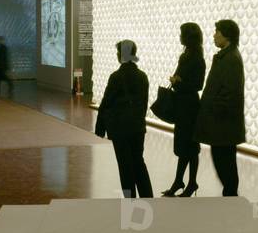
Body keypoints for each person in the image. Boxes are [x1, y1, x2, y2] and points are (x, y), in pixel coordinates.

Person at [193, 20, 245, 197]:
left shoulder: (230, 59)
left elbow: (229, 92)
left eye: (218, 32)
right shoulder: (227, 56)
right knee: (224, 161)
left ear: (227, 35)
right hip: (221, 122)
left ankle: (231, 198)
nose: (214, 35)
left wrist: (212, 111)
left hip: (222, 123)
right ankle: (230, 196)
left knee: (225, 162)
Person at [95, 40, 152, 199]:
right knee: (138, 163)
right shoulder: (142, 76)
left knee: (125, 167)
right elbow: (144, 103)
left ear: (122, 55)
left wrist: (100, 127)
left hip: (119, 128)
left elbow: (106, 103)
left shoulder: (116, 77)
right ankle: (148, 198)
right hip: (137, 127)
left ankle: (130, 201)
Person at [161, 23, 206, 197]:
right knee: (185, 146)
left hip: (189, 107)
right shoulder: (187, 56)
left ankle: (188, 182)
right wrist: (177, 80)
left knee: (190, 146)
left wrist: (179, 82)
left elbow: (198, 85)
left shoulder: (196, 58)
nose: (179, 36)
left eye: (181, 34)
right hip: (184, 105)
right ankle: (182, 181)